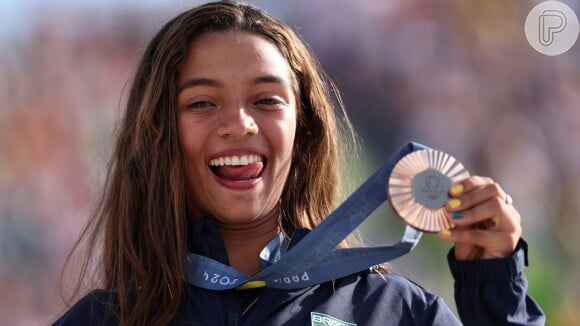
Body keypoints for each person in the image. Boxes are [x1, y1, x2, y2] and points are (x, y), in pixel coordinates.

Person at [54, 1, 545, 325]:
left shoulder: (392, 313)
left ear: (303, 130)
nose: (241, 123)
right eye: (202, 103)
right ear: (160, 134)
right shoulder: (103, 319)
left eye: (267, 100)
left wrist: (496, 296)